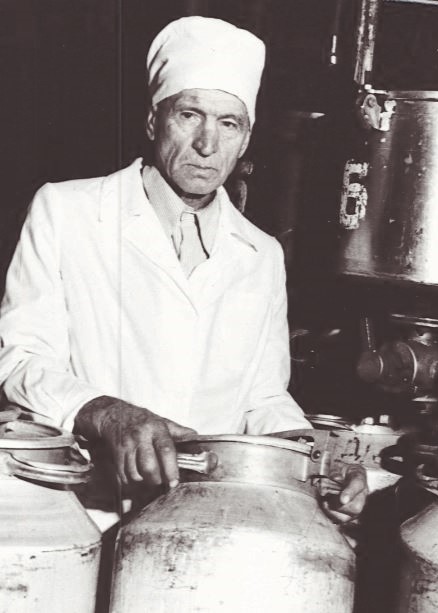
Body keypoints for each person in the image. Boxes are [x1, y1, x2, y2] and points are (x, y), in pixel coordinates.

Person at [0, 16, 367, 522]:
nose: (207, 144)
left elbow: (263, 398)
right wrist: (109, 414)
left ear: (246, 138)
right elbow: (20, 360)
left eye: (229, 123)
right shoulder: (68, 211)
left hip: (205, 518)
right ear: (154, 121)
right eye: (190, 115)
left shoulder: (260, 254)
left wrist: (317, 462)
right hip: (85, 508)